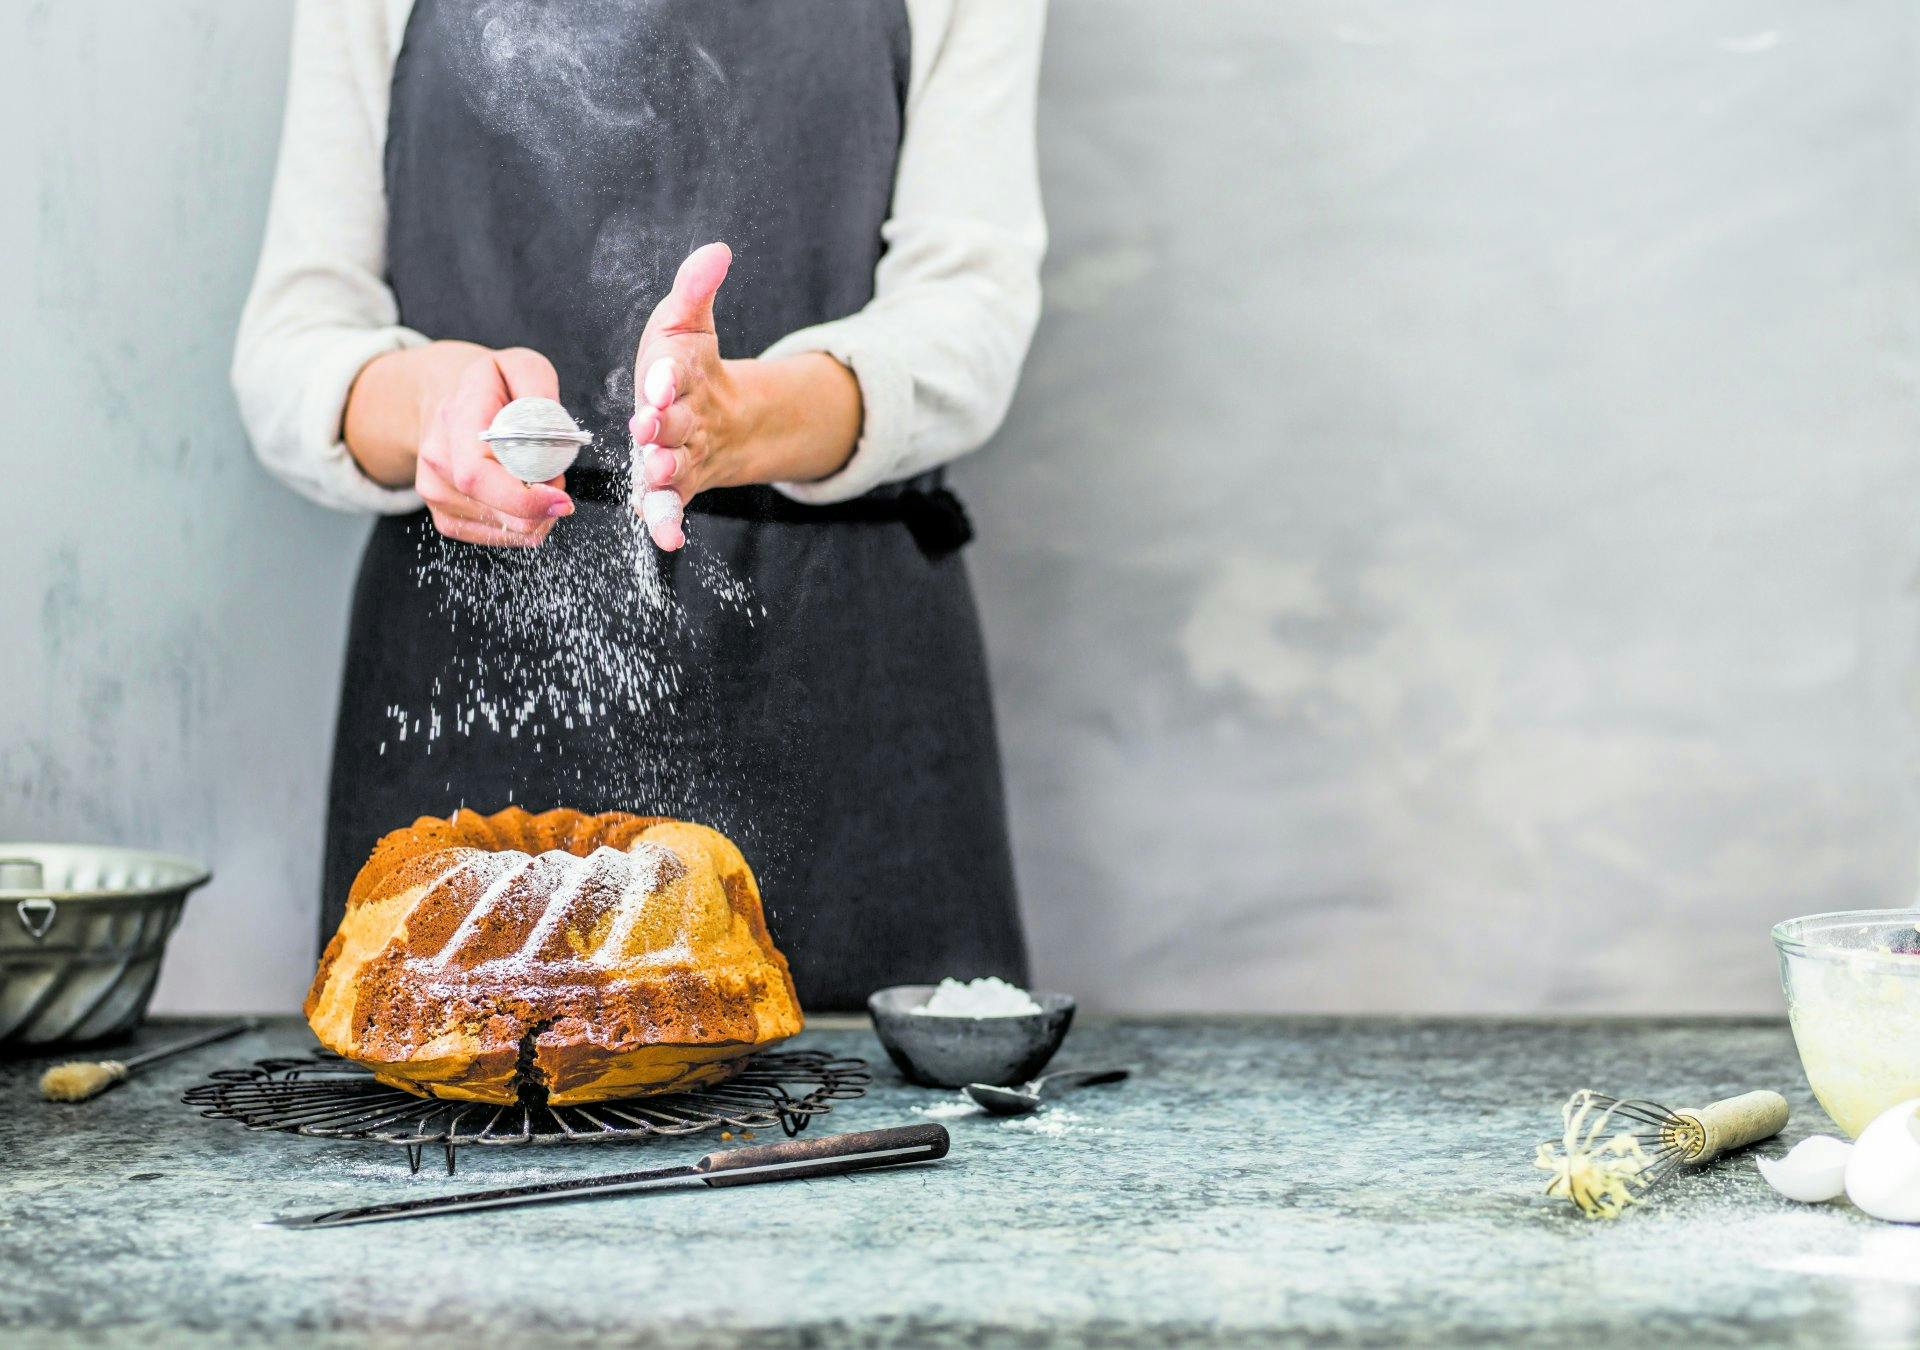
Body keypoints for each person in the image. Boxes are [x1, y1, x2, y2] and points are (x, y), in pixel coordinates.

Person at [232, 0, 1047, 1009]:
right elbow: (294, 338)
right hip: (474, 683)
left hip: (835, 683)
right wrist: (434, 407)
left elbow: (971, 310)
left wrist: (750, 416)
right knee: (453, 1088)